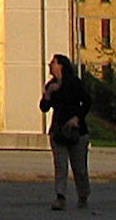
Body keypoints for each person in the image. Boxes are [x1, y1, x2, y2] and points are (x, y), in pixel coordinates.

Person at [39, 53, 91, 210]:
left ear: (61, 65)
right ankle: (60, 197)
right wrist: (48, 94)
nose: (50, 65)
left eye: (53, 63)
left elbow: (87, 102)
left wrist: (77, 118)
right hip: (58, 131)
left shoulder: (74, 83)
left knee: (79, 168)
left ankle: (83, 196)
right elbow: (44, 107)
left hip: (77, 131)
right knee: (60, 166)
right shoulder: (51, 85)